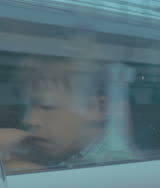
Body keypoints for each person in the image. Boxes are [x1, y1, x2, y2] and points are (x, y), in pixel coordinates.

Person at [0, 58, 139, 173]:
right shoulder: (72, 150)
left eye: (46, 106)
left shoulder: (118, 165)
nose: (29, 120)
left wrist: (34, 175)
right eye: (28, 107)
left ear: (99, 109)